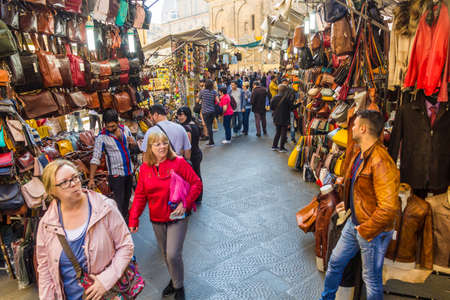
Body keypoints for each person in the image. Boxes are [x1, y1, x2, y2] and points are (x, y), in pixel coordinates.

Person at [320, 110, 400, 300]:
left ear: (363, 128)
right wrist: (346, 205)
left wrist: (365, 230)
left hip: (372, 230)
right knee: (335, 263)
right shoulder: (360, 154)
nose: (352, 128)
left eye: (355, 125)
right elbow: (359, 189)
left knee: (371, 280)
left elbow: (389, 207)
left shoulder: (381, 160)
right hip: (354, 223)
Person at [37, 160, 134, 300]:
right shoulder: (47, 225)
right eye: (64, 182)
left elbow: (126, 245)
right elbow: (45, 268)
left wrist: (105, 281)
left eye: (75, 177)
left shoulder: (104, 208)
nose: (73, 184)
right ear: (52, 190)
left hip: (109, 294)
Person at [129, 132, 202, 300]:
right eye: (157, 144)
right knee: (165, 254)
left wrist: (186, 203)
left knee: (172, 254)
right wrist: (133, 218)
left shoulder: (179, 162)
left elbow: (196, 183)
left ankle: (179, 286)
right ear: (150, 148)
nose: (162, 147)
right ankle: (174, 279)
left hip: (177, 216)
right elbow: (140, 195)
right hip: (157, 219)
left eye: (164, 143)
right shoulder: (145, 168)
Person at [88, 109, 138, 219]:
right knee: (119, 202)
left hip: (129, 171)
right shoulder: (101, 138)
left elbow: (132, 146)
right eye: (108, 126)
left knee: (127, 199)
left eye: (113, 126)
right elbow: (95, 158)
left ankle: (125, 220)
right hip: (116, 175)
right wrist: (91, 179)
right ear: (104, 124)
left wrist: (133, 142)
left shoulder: (125, 130)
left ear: (118, 122)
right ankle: (121, 224)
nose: (110, 129)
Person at [177, 106, 203, 202]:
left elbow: (187, 145)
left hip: (192, 156)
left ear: (187, 115)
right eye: (178, 115)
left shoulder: (186, 128)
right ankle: (198, 197)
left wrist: (185, 157)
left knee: (193, 178)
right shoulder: (194, 124)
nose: (180, 117)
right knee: (197, 176)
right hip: (197, 153)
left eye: (182, 115)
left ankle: (195, 197)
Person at [271, 84, 294, 152]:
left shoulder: (274, 98)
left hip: (276, 117)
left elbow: (272, 107)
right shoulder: (286, 99)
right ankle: (281, 147)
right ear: (285, 91)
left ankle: (274, 146)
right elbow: (291, 108)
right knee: (283, 133)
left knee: (277, 132)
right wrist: (299, 104)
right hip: (284, 118)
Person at [198, 79, 218, 147]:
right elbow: (217, 101)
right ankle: (211, 141)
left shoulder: (202, 92)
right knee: (210, 126)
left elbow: (197, 100)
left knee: (208, 126)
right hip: (212, 111)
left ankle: (211, 142)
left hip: (205, 111)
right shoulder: (214, 92)